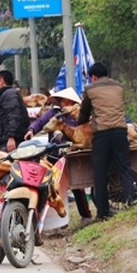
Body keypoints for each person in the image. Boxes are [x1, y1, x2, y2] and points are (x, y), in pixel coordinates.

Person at [25, 87, 92, 220]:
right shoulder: (54, 113)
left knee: (77, 187)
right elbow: (40, 122)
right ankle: (45, 220)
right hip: (54, 154)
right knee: (47, 185)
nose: (62, 104)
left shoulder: (79, 115)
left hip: (73, 155)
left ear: (69, 101)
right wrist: (32, 130)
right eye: (60, 101)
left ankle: (86, 215)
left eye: (64, 101)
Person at [78, 62, 135, 221]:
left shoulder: (90, 89)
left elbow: (84, 113)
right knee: (124, 168)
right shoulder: (119, 87)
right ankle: (131, 203)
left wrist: (80, 123)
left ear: (93, 77)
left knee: (100, 173)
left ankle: (102, 213)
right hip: (120, 132)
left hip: (102, 135)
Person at [0, 69, 29, 152]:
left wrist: (11, 137)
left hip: (12, 142)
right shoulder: (7, 94)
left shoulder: (9, 94)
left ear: (1, 81)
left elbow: (14, 116)